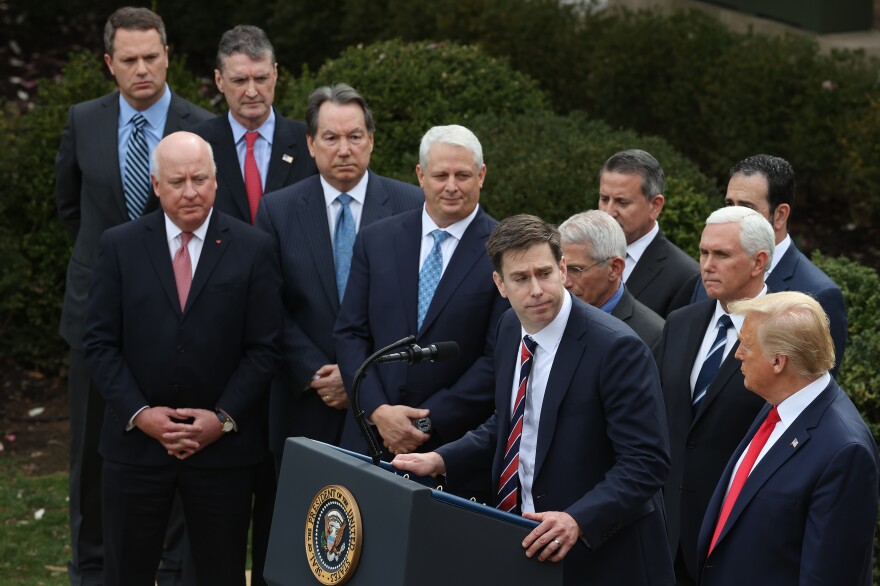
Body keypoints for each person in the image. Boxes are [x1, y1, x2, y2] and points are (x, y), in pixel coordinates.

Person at [393, 214, 673, 585]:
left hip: (601, 559)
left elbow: (646, 463)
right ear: (500, 284)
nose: (536, 289)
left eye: (544, 273)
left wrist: (577, 519)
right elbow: (513, 422)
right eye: (521, 279)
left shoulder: (616, 348)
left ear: (562, 269)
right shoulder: (510, 327)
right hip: (520, 542)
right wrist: (441, 458)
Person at [54, 7, 213, 584]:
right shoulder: (83, 120)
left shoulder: (202, 126)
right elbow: (71, 209)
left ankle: (171, 570)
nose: (141, 69)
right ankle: (91, 568)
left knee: (179, 442)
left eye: (151, 57)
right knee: (90, 455)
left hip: (182, 318)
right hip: (95, 314)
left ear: (168, 56)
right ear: (109, 63)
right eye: (129, 59)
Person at [82, 132, 282, 586]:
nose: (190, 191)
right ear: (156, 185)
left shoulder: (253, 247)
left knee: (219, 573)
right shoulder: (120, 245)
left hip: (222, 453)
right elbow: (99, 343)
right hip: (135, 449)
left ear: (216, 181)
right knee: (126, 573)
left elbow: (265, 347)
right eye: (177, 181)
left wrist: (223, 418)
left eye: (200, 179)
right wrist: (140, 414)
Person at [334, 125, 508, 490]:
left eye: (463, 176)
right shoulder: (376, 239)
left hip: (451, 449)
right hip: (369, 438)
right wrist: (378, 411)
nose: (451, 186)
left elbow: (496, 359)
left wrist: (425, 422)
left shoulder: (503, 252)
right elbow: (350, 333)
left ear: (481, 176)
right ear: (420, 175)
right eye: (441, 175)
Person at [254, 83, 423, 461]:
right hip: (304, 403)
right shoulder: (277, 210)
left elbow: (418, 306)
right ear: (311, 144)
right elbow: (266, 306)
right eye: (331, 138)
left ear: (371, 141)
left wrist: (358, 380)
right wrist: (314, 372)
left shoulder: (411, 206)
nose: (344, 149)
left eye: (355, 136)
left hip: (387, 410)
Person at [696, 292, 878, 585]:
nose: (737, 353)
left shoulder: (845, 451)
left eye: (747, 344)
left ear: (778, 361)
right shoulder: (778, 404)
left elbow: (829, 576)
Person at [654, 206, 775, 585]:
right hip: (664, 533)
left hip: (734, 538)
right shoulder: (680, 322)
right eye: (703, 252)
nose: (706, 265)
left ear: (758, 262)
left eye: (721, 255)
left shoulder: (783, 335)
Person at [690, 154, 847, 376]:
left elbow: (814, 387)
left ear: (780, 215)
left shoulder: (817, 295)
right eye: (729, 205)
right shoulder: (709, 276)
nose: (732, 216)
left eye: (746, 208)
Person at [192, 25, 317, 224]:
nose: (251, 92)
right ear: (219, 80)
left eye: (261, 78)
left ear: (275, 74)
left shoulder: (310, 143)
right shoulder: (195, 145)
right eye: (239, 81)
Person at [597, 149, 698, 318]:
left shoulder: (685, 277)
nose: (608, 212)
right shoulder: (582, 256)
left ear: (655, 206)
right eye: (604, 199)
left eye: (622, 202)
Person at [559, 209, 665, 349]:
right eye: (560, 269)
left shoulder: (652, 336)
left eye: (575, 270)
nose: (564, 282)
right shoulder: (548, 317)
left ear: (615, 268)